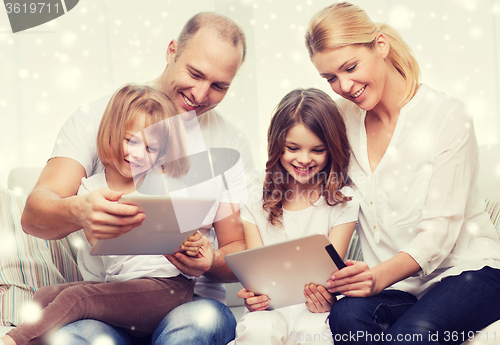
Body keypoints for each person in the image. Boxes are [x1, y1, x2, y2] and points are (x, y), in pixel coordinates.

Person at [21, 12, 255, 345]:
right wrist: (79, 211)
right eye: (195, 73)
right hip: (110, 304)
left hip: (190, 303)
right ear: (171, 50)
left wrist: (208, 260)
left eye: (219, 86)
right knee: (74, 337)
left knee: (197, 326)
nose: (201, 94)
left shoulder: (230, 143)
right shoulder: (98, 119)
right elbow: (34, 216)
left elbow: (238, 251)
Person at [305, 2, 500, 344]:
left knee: (413, 335)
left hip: (469, 273)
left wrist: (377, 278)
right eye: (331, 78)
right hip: (401, 287)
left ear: (381, 45)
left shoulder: (448, 116)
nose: (345, 85)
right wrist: (293, 284)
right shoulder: (342, 120)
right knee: (346, 315)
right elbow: (316, 198)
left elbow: (440, 233)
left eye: (350, 67)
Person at [1, 84, 203, 345]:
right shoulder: (90, 188)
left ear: (162, 152)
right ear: (111, 133)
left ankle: (13, 340)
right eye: (131, 140)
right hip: (121, 287)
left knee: (78, 298)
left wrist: (195, 244)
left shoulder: (166, 184)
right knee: (44, 295)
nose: (137, 154)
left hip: (168, 287)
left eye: (151, 148)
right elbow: (98, 245)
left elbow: (192, 238)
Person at [231, 88, 359, 345]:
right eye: (293, 148)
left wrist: (326, 298)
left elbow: (330, 276)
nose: (303, 159)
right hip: (267, 310)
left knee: (316, 337)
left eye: (317, 150)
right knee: (257, 331)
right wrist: (254, 297)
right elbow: (257, 277)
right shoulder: (255, 199)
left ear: (331, 149)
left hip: (316, 310)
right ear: (277, 145)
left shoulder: (343, 200)